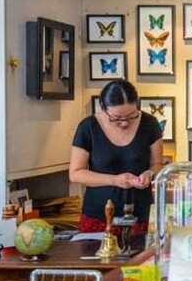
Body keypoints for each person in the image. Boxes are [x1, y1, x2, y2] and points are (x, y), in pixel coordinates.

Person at [69, 80, 163, 233]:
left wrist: (149, 173)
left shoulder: (150, 124)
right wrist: (114, 180)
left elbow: (157, 164)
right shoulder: (87, 127)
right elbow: (75, 173)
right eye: (117, 118)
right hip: (98, 217)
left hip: (139, 215)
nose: (125, 123)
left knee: (139, 256)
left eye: (132, 116)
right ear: (104, 108)